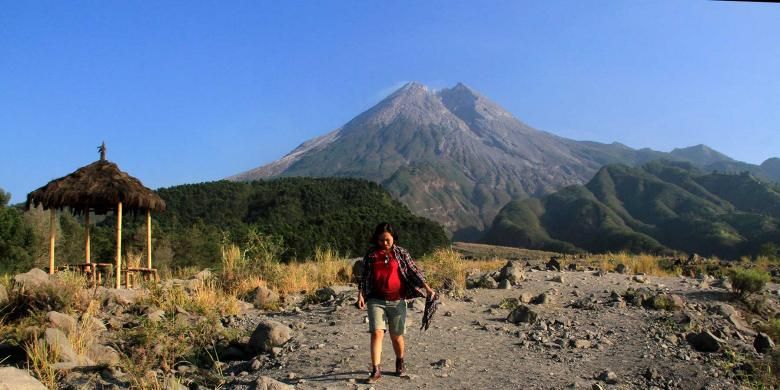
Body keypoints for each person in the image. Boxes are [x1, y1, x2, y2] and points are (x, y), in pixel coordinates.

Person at [357, 222, 436, 384]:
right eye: (381, 240)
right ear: (376, 240)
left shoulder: (401, 253)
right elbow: (364, 277)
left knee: (396, 336)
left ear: (393, 238)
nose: (384, 243)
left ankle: (400, 362)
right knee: (377, 332)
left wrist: (427, 288)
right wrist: (361, 295)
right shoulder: (371, 255)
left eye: (387, 240)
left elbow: (414, 271)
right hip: (375, 300)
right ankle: (376, 370)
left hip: (397, 300)